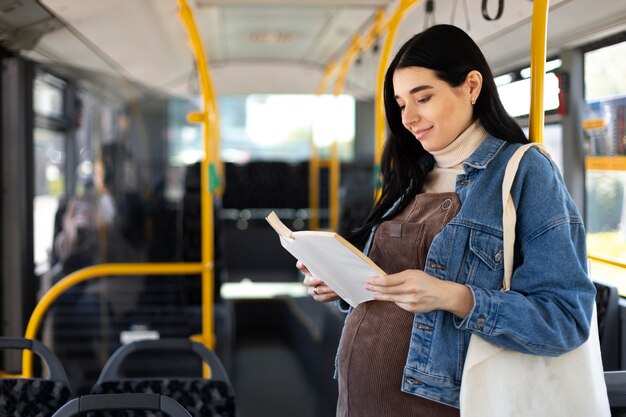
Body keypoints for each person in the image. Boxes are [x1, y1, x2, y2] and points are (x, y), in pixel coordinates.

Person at [297, 24, 596, 416]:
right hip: (358, 401)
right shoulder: (408, 176)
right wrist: (343, 282)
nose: (408, 118)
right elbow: (390, 288)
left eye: (423, 98)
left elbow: (566, 318)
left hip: (445, 403)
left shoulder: (524, 173)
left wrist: (453, 296)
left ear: (471, 86)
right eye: (402, 104)